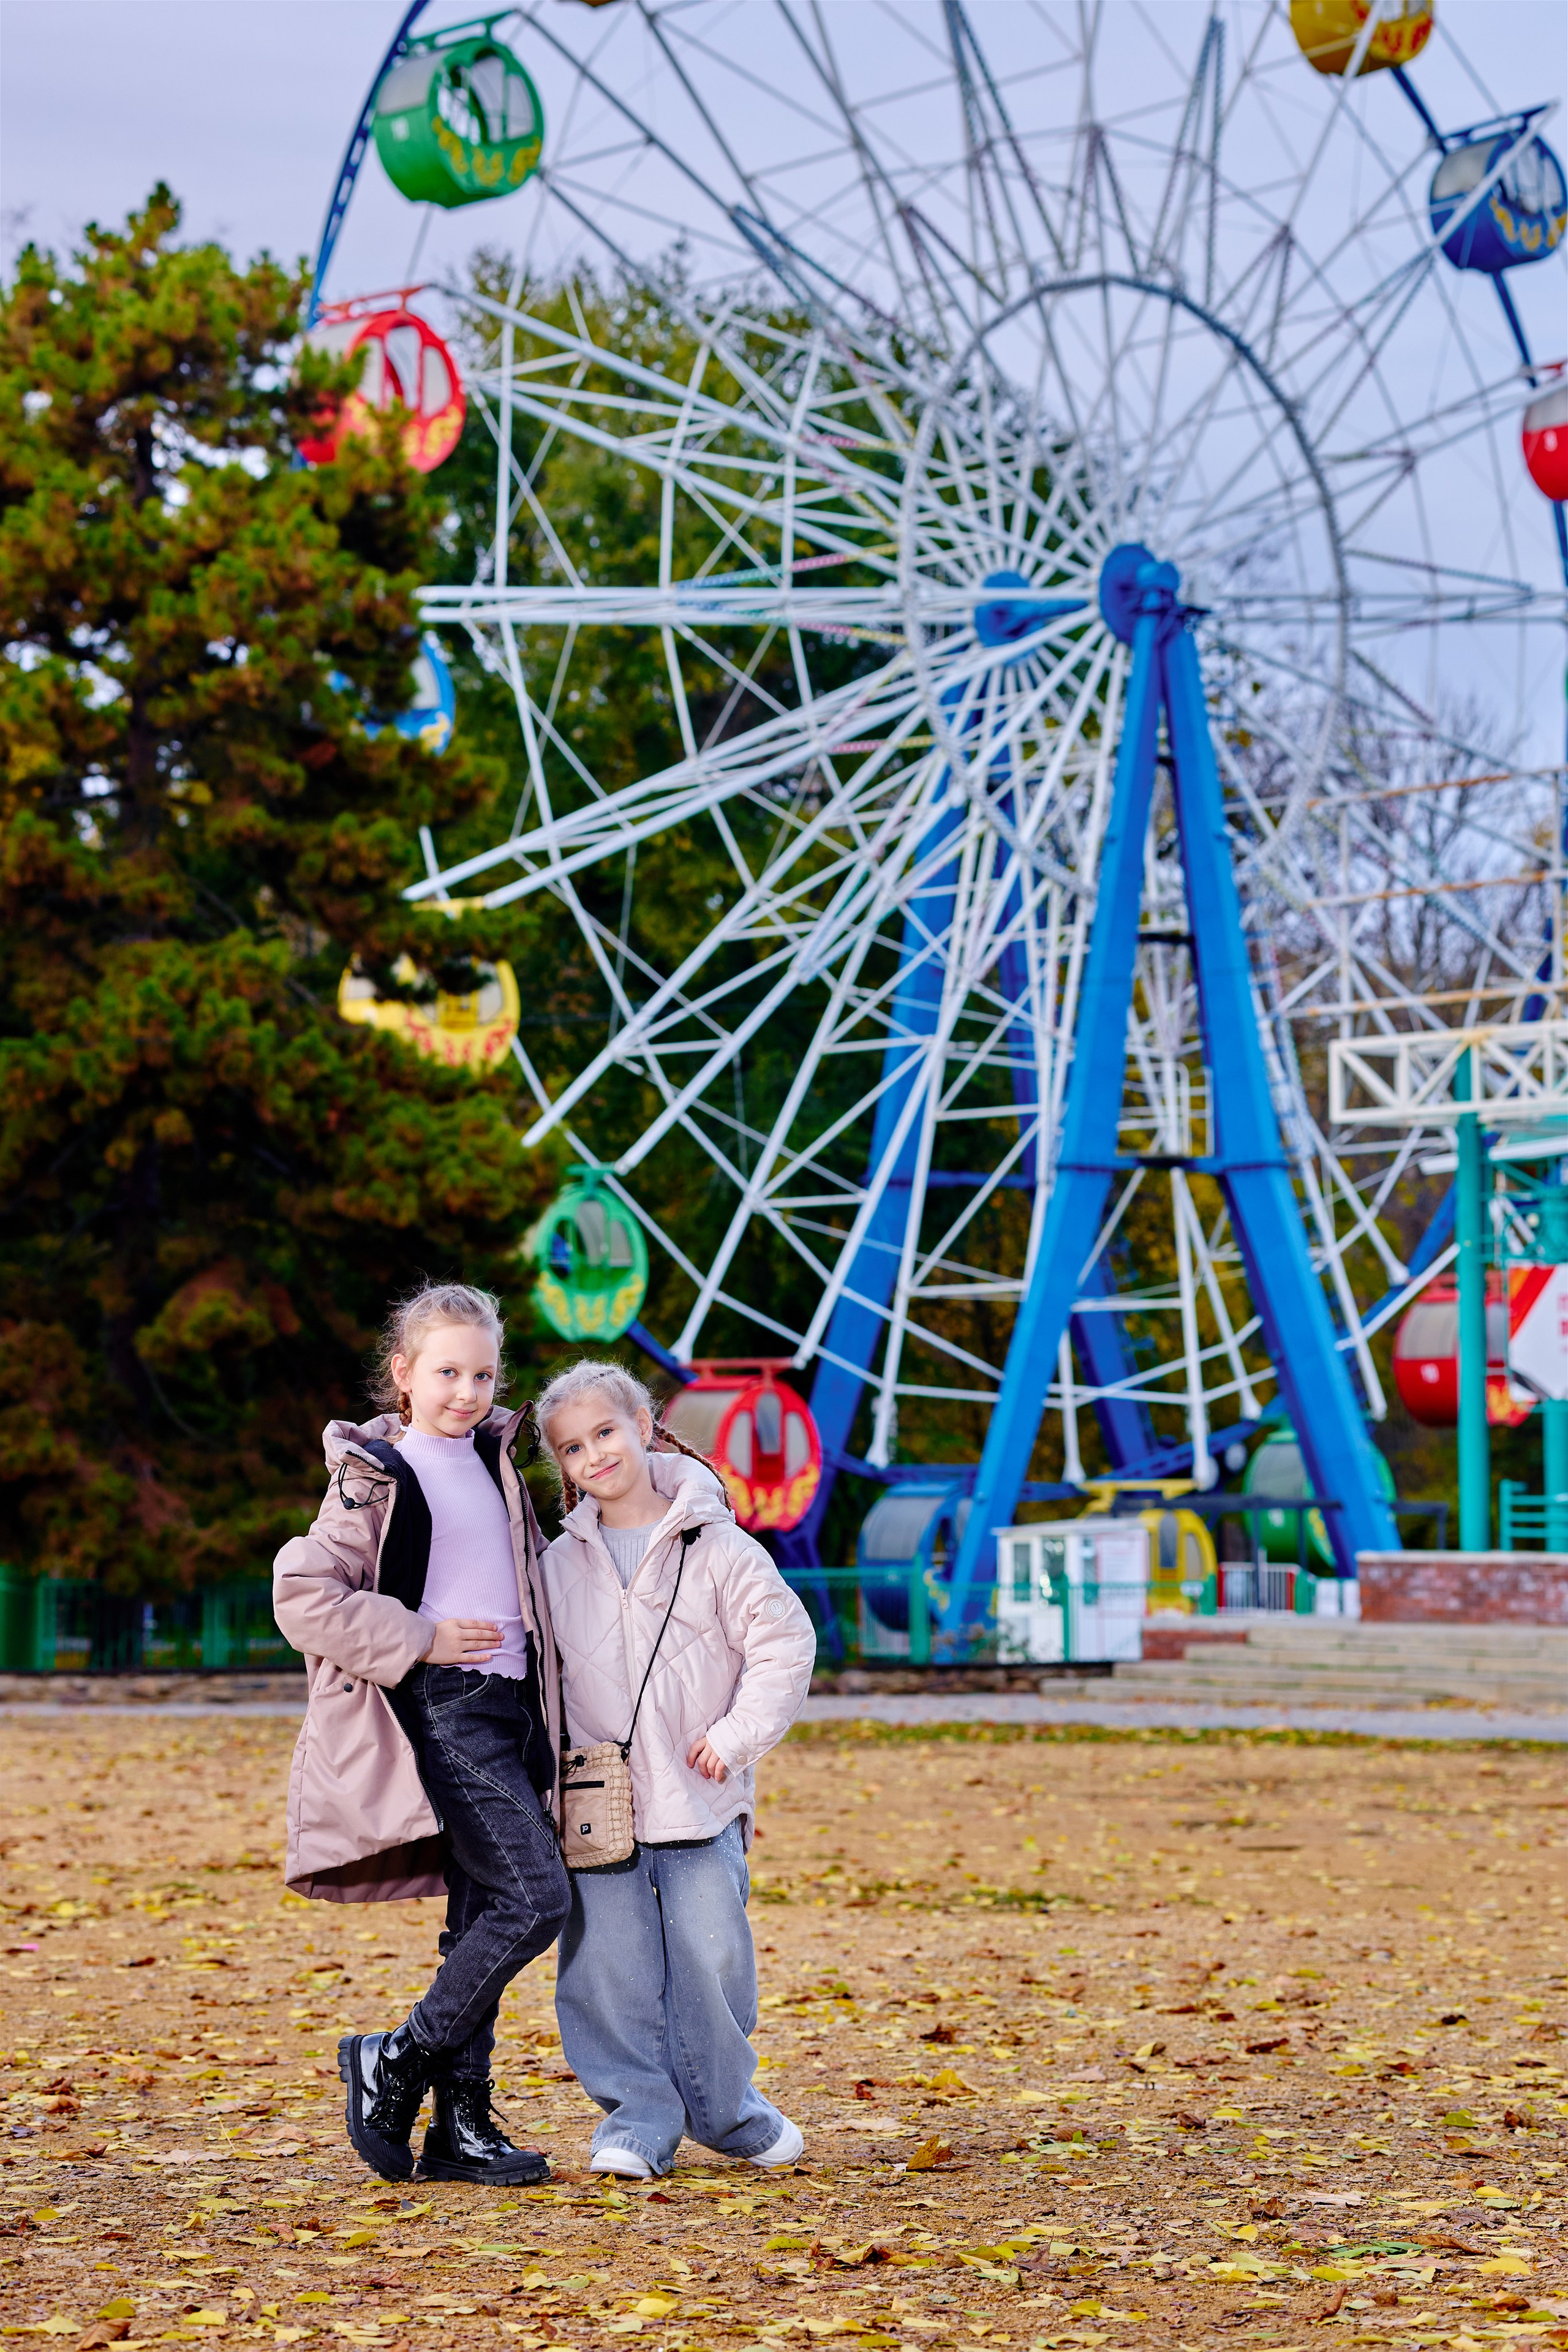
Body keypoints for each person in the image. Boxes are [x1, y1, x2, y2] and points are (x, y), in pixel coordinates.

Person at [273, 1281, 569, 2187]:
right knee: (536, 1898)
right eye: (447, 1373)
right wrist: (419, 1636)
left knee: (482, 1910)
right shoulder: (375, 1476)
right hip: (447, 1704)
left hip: (517, 1708)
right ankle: (395, 2058)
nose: (467, 1392)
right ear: (403, 1373)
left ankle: (460, 2127)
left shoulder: (497, 1464)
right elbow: (302, 1595)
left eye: (483, 1375)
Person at [537, 1358, 816, 2180]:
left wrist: (734, 1737)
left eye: (605, 1432)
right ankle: (636, 2122)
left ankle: (728, 2112)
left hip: (699, 1793)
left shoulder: (720, 1546)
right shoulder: (556, 1566)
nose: (594, 1455)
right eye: (573, 1448)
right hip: (598, 1804)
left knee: (712, 1955)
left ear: (643, 1426)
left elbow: (785, 1645)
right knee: (606, 1967)